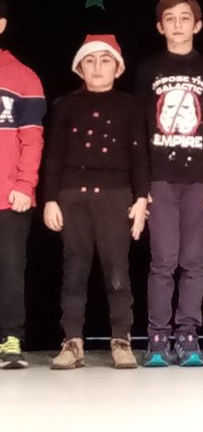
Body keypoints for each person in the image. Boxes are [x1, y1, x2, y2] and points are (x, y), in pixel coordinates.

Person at [43, 35, 148, 370]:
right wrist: (50, 199)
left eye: (105, 60)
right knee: (75, 268)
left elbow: (139, 154)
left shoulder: (130, 105)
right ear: (79, 68)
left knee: (117, 269)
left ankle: (121, 339)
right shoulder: (65, 105)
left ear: (118, 68)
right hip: (73, 195)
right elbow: (54, 155)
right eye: (90, 61)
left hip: (115, 195)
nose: (97, 67)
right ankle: (72, 341)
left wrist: (141, 197)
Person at [137, 0, 203, 367]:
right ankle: (158, 336)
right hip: (160, 178)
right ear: (160, 27)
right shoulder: (148, 69)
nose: (177, 24)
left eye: (184, 18)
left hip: (199, 179)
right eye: (170, 19)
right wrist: (141, 185)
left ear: (198, 25)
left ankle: (188, 334)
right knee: (163, 261)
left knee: (193, 261)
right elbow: (139, 131)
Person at [0, 0, 45, 370]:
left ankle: (10, 339)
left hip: (8, 196)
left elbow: (32, 139)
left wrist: (25, 185)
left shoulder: (23, 77)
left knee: (9, 270)